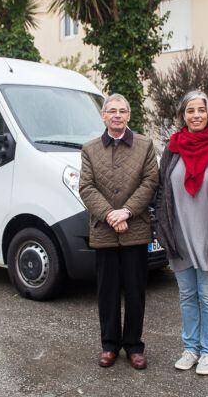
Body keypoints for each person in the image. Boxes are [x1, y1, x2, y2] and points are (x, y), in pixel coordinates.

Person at [154, 90, 208, 375]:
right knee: (187, 295)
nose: (196, 115)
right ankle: (191, 349)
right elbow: (162, 189)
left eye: (201, 110)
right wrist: (162, 226)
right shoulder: (172, 149)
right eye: (191, 110)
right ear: (183, 116)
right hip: (180, 234)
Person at [79, 93, 159, 370]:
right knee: (107, 292)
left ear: (129, 115)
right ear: (103, 116)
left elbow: (150, 181)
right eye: (111, 111)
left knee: (136, 291)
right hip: (104, 231)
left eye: (122, 111)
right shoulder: (89, 149)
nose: (117, 115)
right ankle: (109, 345)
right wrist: (109, 215)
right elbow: (86, 187)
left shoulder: (145, 145)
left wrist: (126, 212)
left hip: (135, 229)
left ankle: (134, 346)